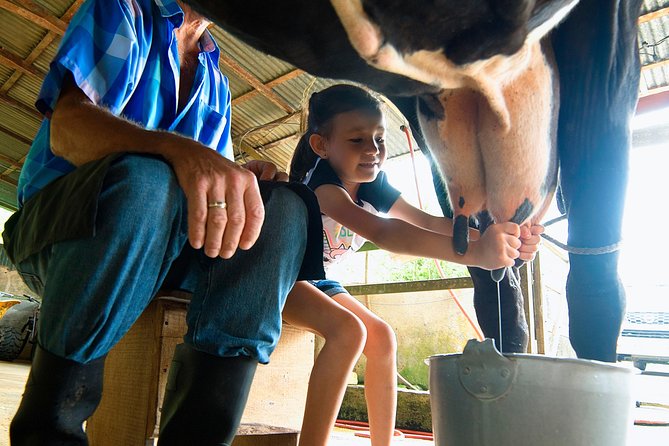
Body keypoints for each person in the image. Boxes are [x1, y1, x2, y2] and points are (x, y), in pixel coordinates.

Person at [2, 1, 324, 445]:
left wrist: (244, 179)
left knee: (282, 212)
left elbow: (210, 187)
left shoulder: (215, 78)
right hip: (65, 230)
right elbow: (68, 128)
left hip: (165, 245)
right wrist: (177, 151)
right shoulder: (124, 11)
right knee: (146, 179)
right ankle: (49, 427)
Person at [283, 84, 543, 446]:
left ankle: (382, 443)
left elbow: (429, 223)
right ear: (321, 146)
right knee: (350, 333)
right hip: (283, 277)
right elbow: (386, 233)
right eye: (357, 140)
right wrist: (477, 255)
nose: (373, 150)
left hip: (319, 282)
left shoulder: (373, 184)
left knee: (383, 338)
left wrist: (498, 239)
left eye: (379, 137)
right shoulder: (323, 189)